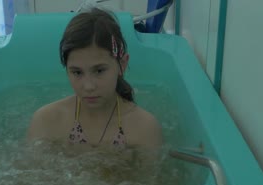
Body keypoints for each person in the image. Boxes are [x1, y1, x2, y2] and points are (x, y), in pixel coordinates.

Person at [27, 7, 162, 150]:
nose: (88, 86)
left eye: (99, 70)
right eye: (77, 72)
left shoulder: (144, 129)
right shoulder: (46, 122)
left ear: (122, 65)